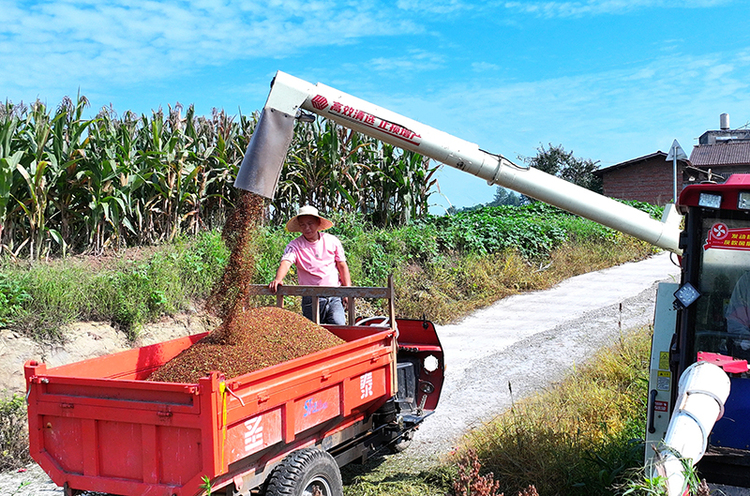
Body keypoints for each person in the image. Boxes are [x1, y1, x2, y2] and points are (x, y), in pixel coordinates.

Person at [269, 205, 351, 325]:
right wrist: (278, 279)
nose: (307, 228)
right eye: (302, 225)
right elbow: (286, 262)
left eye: (310, 223)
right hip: (310, 298)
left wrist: (347, 291)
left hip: (334, 295)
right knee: (314, 333)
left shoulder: (332, 241)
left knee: (339, 326)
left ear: (318, 223)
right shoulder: (295, 246)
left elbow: (342, 266)